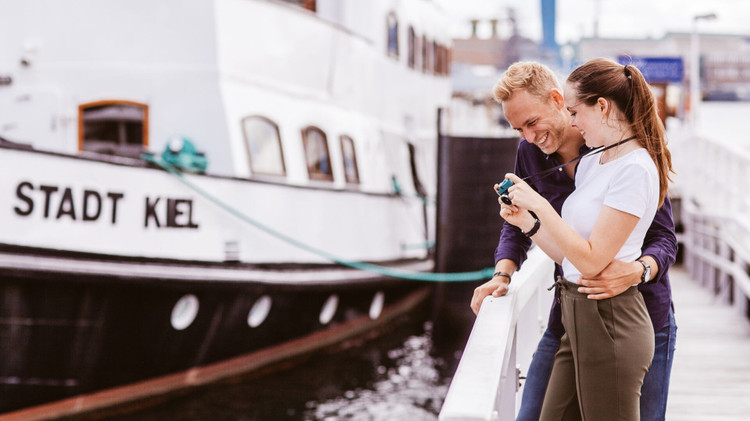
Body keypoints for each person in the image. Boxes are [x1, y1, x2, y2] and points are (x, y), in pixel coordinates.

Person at [471, 61, 677, 420]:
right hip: (571, 311)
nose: (527, 136)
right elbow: (535, 232)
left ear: (558, 100)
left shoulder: (618, 154)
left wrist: (638, 271)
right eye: (518, 128)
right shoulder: (540, 154)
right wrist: (503, 273)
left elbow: (661, 235)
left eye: (532, 123)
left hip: (635, 308)